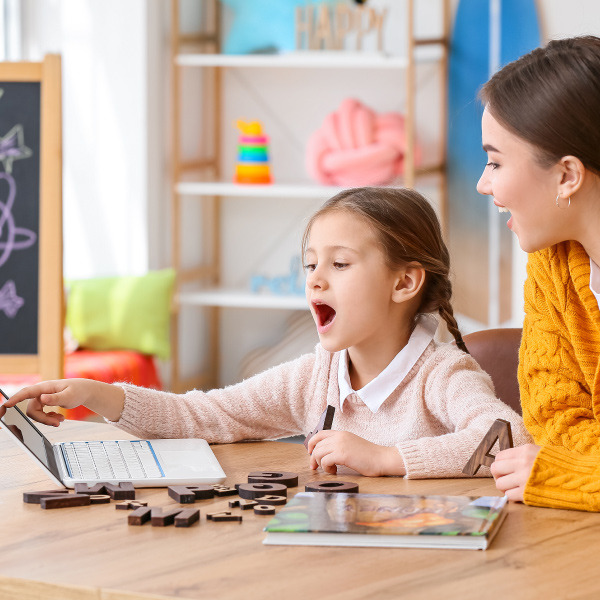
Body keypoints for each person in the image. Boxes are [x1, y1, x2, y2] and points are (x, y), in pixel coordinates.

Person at [0, 187, 529, 478]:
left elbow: (509, 439)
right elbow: (207, 415)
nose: (316, 278)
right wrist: (100, 395)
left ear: (405, 282)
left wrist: (386, 457)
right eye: (310, 265)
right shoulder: (315, 376)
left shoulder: (441, 372)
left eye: (340, 264)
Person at [476, 36, 600, 511]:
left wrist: (567, 475)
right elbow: (555, 422)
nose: (483, 183)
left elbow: (557, 456)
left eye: (495, 161)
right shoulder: (554, 263)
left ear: (567, 175)